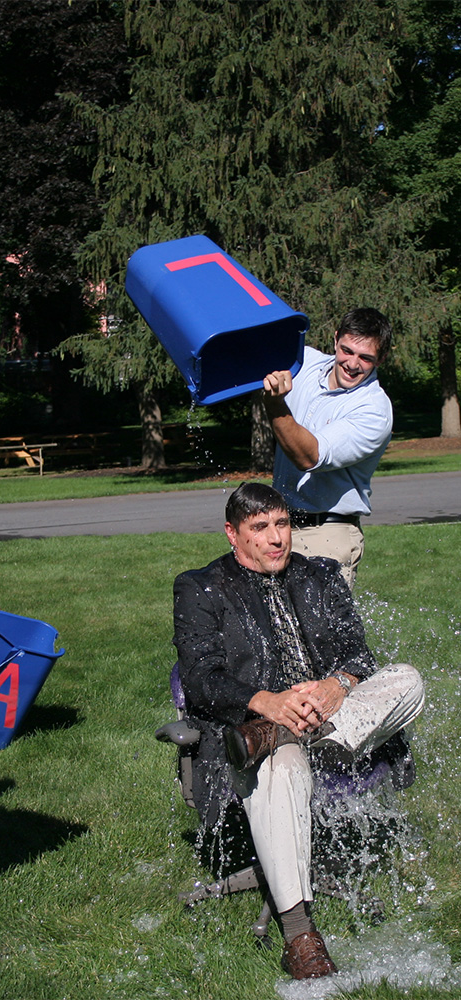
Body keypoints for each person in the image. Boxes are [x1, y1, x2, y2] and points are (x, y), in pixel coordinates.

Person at [172, 482, 424, 980]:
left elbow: (357, 652)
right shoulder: (200, 587)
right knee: (281, 764)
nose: (276, 539)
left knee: (409, 681)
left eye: (282, 525)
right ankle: (301, 937)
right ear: (232, 534)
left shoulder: (321, 575)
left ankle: (289, 732)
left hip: (335, 732)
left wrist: (337, 684)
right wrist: (268, 703)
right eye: (259, 528)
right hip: (251, 734)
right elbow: (201, 678)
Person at [262, 307, 393, 588]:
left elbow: (308, 457)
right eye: (347, 350)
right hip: (280, 527)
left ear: (381, 359)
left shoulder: (373, 410)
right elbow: (254, 346)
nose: (352, 363)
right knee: (272, 627)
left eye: (366, 357)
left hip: (328, 534)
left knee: (319, 632)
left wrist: (275, 405)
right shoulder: (304, 362)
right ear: (335, 340)